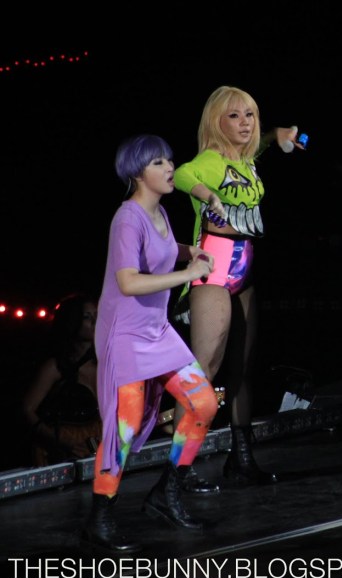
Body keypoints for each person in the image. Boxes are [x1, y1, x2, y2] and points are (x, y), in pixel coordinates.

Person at [81, 134, 220, 554]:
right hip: (125, 335)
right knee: (124, 427)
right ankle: (100, 517)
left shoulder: (158, 211)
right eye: (159, 162)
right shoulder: (127, 218)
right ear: (138, 172)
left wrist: (188, 252)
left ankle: (166, 492)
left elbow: (161, 251)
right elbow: (128, 281)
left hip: (156, 330)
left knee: (203, 403)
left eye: (169, 160)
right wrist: (188, 274)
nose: (170, 167)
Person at [172, 85, 303, 489]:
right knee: (203, 370)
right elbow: (182, 173)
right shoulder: (210, 161)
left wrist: (277, 136)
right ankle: (180, 468)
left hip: (244, 270)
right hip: (213, 269)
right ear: (217, 121)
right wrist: (205, 193)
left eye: (249, 115)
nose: (245, 123)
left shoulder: (245, 161)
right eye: (234, 116)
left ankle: (241, 459)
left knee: (242, 370)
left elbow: (255, 146)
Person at [20, 293, 101, 467]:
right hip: (61, 451)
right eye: (87, 317)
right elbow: (26, 410)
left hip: (96, 444)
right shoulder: (55, 367)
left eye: (97, 315)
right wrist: (59, 440)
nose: (95, 321)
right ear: (72, 322)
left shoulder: (104, 363)